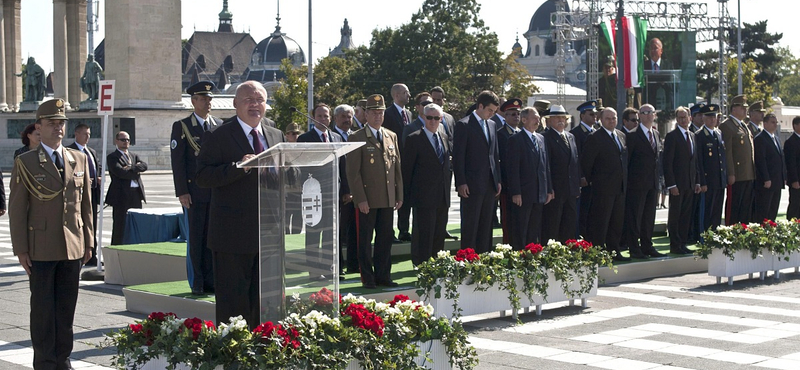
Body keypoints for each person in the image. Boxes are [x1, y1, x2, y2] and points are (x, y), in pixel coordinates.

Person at [9, 98, 94, 370]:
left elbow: (86, 206)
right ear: (39, 126)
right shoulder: (26, 162)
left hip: (72, 245)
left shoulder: (78, 158)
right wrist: (21, 249)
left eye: (61, 124)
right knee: (44, 311)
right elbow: (18, 210)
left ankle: (63, 359)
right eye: (51, 124)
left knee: (66, 310)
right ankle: (45, 362)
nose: (58, 129)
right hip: (41, 247)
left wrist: (89, 242)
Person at [196, 81, 284, 328]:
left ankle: (260, 351)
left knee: (262, 302)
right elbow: (202, 176)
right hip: (231, 236)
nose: (255, 105)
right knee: (233, 305)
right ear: (235, 104)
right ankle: (233, 355)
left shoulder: (275, 135)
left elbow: (286, 176)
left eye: (260, 100)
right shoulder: (218, 135)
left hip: (267, 234)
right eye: (249, 100)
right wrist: (238, 167)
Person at [345, 93, 403, 289]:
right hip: (368, 200)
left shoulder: (390, 136)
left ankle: (383, 275)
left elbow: (396, 169)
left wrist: (399, 194)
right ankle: (368, 278)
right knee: (365, 240)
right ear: (366, 114)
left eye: (381, 112)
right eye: (373, 112)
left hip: (387, 197)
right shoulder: (356, 137)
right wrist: (360, 198)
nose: (378, 116)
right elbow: (353, 173)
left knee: (385, 239)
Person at [170, 81, 222, 295]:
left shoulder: (219, 125)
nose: (208, 102)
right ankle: (198, 281)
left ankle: (212, 280)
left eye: (210, 99)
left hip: (216, 192)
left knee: (214, 237)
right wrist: (182, 191)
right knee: (197, 238)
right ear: (193, 101)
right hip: (194, 193)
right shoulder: (182, 127)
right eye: (203, 99)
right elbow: (178, 162)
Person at [297, 103, 343, 280]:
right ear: (313, 118)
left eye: (326, 116)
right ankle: (314, 270)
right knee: (314, 233)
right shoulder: (304, 138)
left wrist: (345, 190)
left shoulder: (337, 138)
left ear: (330, 118)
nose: (323, 119)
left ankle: (329, 268)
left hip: (333, 192)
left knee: (331, 233)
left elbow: (343, 165)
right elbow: (301, 165)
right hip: (314, 193)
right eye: (320, 116)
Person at [402, 103, 452, 265]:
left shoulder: (444, 137)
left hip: (442, 195)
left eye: (436, 118)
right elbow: (407, 170)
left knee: (438, 232)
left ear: (441, 119)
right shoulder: (414, 138)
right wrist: (407, 197)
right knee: (423, 232)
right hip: (422, 196)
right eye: (429, 117)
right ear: (423, 117)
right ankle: (421, 263)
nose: (432, 121)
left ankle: (437, 263)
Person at [453, 90, 502, 253]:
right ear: (480, 106)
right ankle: (468, 260)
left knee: (486, 225)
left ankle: (485, 259)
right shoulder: (464, 125)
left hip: (489, 184)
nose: (492, 114)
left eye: (494, 112)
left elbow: (494, 155)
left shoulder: (493, 124)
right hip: (472, 185)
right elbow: (459, 157)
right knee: (470, 226)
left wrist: (498, 180)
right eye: (490, 110)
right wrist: (461, 182)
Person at [580, 107, 630, 261]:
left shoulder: (621, 135)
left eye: (614, 118)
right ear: (601, 120)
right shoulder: (595, 137)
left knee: (616, 221)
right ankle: (599, 252)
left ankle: (614, 251)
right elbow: (587, 163)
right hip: (602, 188)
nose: (611, 121)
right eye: (608, 118)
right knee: (601, 222)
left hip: (620, 187)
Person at [504, 106, 553, 249]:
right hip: (523, 193)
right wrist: (516, 192)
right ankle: (520, 256)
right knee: (521, 228)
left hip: (539, 192)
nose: (538, 120)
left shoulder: (541, 138)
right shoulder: (516, 139)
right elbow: (512, 169)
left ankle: (532, 255)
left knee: (534, 228)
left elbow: (545, 166)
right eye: (534, 118)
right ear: (524, 120)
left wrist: (549, 189)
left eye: (538, 117)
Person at [623, 105, 666, 258]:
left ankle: (647, 246)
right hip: (637, 184)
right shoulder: (632, 135)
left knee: (649, 216)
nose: (648, 115)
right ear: (639, 116)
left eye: (651, 113)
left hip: (653, 182)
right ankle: (634, 248)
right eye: (644, 113)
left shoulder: (655, 133)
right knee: (635, 216)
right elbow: (627, 161)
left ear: (654, 115)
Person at [663, 107, 700, 255]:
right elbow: (667, 163)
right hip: (677, 184)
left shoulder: (692, 135)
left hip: (690, 183)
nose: (682, 120)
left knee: (686, 215)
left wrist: (697, 181)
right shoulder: (672, 136)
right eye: (679, 117)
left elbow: (695, 161)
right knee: (675, 215)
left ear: (690, 118)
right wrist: (671, 184)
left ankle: (683, 242)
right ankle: (675, 244)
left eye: (685, 117)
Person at [541, 105, 580, 243]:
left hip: (570, 190)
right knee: (552, 225)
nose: (560, 120)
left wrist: (576, 186)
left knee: (569, 224)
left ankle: (567, 253)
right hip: (555, 191)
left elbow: (574, 163)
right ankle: (552, 255)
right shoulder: (545, 137)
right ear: (549, 120)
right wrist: (549, 188)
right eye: (557, 117)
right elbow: (546, 166)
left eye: (563, 117)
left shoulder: (571, 137)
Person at [68, 123, 102, 265]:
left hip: (92, 193)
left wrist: (98, 177)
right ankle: (81, 253)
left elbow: (97, 167)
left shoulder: (91, 152)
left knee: (91, 224)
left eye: (89, 134)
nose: (88, 137)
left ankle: (92, 254)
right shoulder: (70, 151)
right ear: (77, 134)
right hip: (78, 195)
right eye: (85, 134)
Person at [106, 131, 147, 245]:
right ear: (116, 141)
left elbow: (144, 166)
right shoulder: (112, 157)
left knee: (136, 223)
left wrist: (130, 167)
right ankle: (116, 249)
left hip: (136, 194)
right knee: (120, 225)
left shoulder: (133, 156)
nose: (126, 142)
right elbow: (119, 172)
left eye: (128, 140)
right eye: (123, 140)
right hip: (121, 196)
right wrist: (136, 171)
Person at [719, 95, 755, 224]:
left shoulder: (744, 125)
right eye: (742, 107)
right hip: (737, 174)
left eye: (746, 108)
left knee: (745, 206)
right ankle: (732, 230)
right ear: (734, 109)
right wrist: (731, 173)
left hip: (747, 173)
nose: (745, 110)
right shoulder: (727, 126)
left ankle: (743, 232)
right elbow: (727, 152)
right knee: (734, 206)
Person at [331, 105, 359, 273]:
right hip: (341, 192)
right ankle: (339, 266)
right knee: (339, 232)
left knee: (355, 230)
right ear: (335, 119)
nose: (346, 120)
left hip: (358, 192)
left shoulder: (355, 136)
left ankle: (355, 265)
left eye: (349, 117)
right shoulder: (333, 137)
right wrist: (347, 191)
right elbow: (342, 168)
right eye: (343, 116)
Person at [495, 98, 523, 244]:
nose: (516, 117)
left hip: (522, 185)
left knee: (521, 222)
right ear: (505, 116)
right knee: (508, 221)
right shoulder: (500, 134)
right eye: (512, 114)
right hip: (507, 185)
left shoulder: (522, 134)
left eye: (518, 114)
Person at [696, 104, 727, 230]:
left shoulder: (719, 133)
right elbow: (699, 161)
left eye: (714, 117)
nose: (712, 120)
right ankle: (706, 237)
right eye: (709, 117)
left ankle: (716, 234)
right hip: (708, 180)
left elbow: (722, 157)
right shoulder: (699, 135)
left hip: (719, 179)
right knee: (707, 210)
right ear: (703, 118)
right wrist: (702, 181)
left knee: (717, 210)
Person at [571, 100, 599, 238]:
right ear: (582, 116)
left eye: (595, 114)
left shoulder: (597, 132)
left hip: (597, 180)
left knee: (594, 213)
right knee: (583, 212)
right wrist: (581, 176)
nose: (595, 117)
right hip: (584, 182)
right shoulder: (575, 134)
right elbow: (576, 158)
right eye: (591, 114)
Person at [753, 113, 785, 221]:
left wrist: (783, 177)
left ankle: (771, 232)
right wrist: (766, 178)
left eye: (776, 122)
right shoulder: (760, 138)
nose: (775, 125)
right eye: (772, 122)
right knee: (764, 210)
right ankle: (762, 233)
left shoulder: (775, 138)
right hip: (767, 182)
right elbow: (761, 160)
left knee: (773, 210)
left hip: (777, 181)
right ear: (765, 123)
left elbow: (780, 159)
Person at [284, 123, 303, 235]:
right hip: (287, 191)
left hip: (299, 190)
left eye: (297, 133)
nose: (296, 136)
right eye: (293, 133)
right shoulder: (283, 149)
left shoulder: (301, 148)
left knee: (297, 219)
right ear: (287, 135)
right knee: (286, 219)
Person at [784, 116, 800, 220]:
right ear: (795, 126)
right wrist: (794, 180)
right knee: (795, 205)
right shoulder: (791, 142)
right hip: (797, 181)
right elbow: (790, 163)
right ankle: (792, 226)